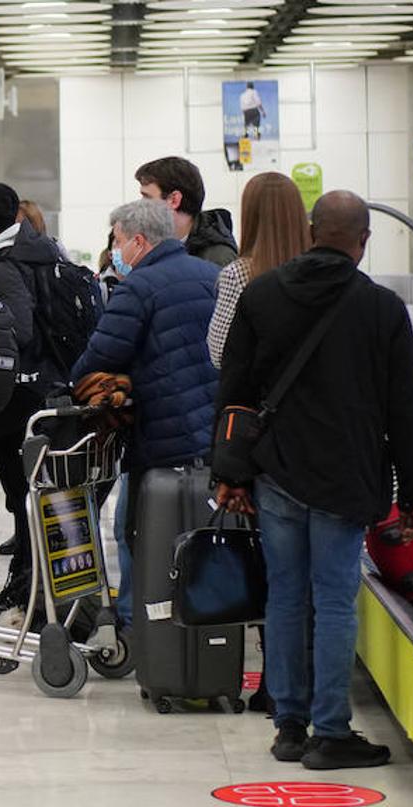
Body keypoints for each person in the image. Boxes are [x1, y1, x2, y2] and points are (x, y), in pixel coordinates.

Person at [215, 190, 413, 769]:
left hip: (276, 474)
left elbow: (234, 390)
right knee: (334, 601)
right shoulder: (382, 309)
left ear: (312, 232)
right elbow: (405, 408)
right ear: (363, 240)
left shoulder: (261, 295)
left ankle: (288, 727)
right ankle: (331, 733)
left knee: (285, 595)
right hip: (345, 476)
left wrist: (229, 473)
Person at [70, 198, 220, 627]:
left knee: (145, 536)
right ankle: (199, 624)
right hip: (211, 436)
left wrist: (70, 387)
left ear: (138, 241)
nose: (116, 251)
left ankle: (143, 627)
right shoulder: (211, 275)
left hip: (162, 439)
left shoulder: (139, 286)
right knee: (200, 537)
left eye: (118, 241)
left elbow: (102, 353)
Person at [0, 183, 62, 608]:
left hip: (20, 396)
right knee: (35, 494)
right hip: (49, 385)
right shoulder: (44, 251)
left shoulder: (5, 264)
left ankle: (26, 584)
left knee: (22, 495)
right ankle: (36, 583)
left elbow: (20, 329)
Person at [209, 172, 310, 369]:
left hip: (260, 394)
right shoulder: (319, 271)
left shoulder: (238, 275)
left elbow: (219, 352)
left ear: (250, 215)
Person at [136, 156, 238, 266]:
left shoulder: (217, 258)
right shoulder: (150, 244)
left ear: (174, 200)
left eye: (147, 198)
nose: (140, 205)